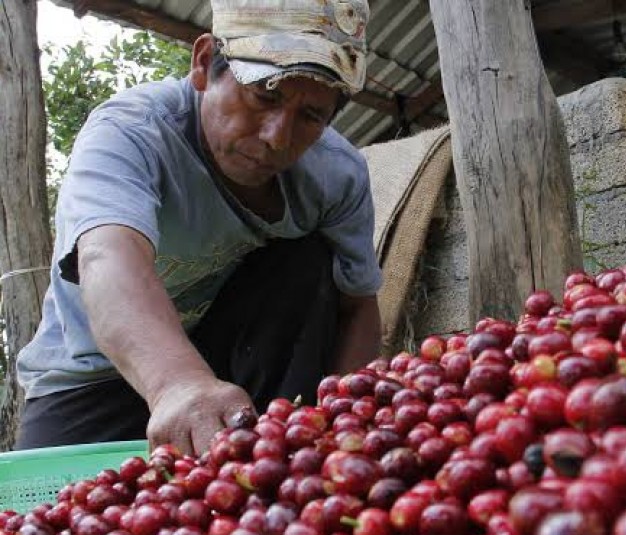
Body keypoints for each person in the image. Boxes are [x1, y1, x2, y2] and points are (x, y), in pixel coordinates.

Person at [14, 0, 382, 456]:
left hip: (226, 367)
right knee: (49, 519)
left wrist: (345, 423)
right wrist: (178, 385)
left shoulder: (336, 175)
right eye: (265, 95)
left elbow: (357, 305)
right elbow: (107, 255)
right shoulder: (132, 132)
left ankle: (282, 452)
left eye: (310, 117)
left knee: (308, 259)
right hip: (92, 375)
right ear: (205, 63)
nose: (278, 137)